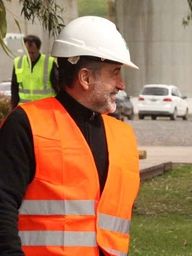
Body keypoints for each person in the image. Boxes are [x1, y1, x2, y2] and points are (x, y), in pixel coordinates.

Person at [0, 16, 141, 256]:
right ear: (85, 78)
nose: (122, 84)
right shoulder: (26, 125)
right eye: (115, 73)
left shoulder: (122, 136)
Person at [10, 34, 56, 108]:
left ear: (38, 49)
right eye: (28, 52)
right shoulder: (18, 62)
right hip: (26, 109)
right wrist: (13, 107)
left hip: (45, 108)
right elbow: (14, 87)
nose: (30, 56)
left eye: (33, 53)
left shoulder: (49, 62)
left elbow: (57, 86)